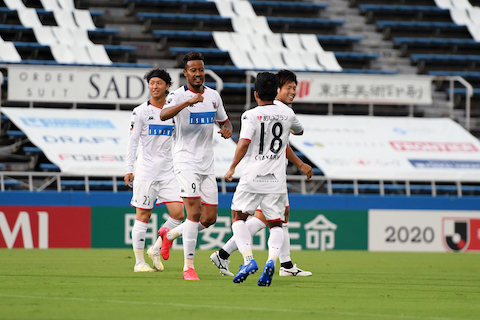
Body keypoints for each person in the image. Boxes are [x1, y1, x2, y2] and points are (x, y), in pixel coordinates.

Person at [211, 69, 313, 277]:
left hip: (253, 175)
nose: (292, 91)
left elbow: (244, 142)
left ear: (256, 93)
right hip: (275, 178)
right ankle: (276, 262)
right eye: (289, 88)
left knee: (242, 217)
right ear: (277, 90)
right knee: (275, 221)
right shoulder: (287, 113)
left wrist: (232, 167)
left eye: (295, 88)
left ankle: (247, 259)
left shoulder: (251, 115)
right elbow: (298, 131)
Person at [159, 51, 233, 280]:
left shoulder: (213, 96)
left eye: (201, 69)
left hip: (207, 163)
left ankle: (169, 235)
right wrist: (188, 102)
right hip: (185, 160)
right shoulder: (176, 96)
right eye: (193, 70)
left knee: (209, 218)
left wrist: (227, 128)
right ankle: (188, 267)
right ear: (185, 73)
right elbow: (163, 115)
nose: (198, 74)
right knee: (193, 213)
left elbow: (224, 120)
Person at [125, 68, 185, 273]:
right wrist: (129, 168)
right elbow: (132, 142)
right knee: (143, 215)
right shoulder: (140, 111)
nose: (155, 86)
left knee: (178, 213)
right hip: (146, 172)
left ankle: (156, 248)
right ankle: (139, 262)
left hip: (168, 171)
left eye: (159, 83)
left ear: (167, 86)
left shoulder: (174, 112)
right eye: (152, 83)